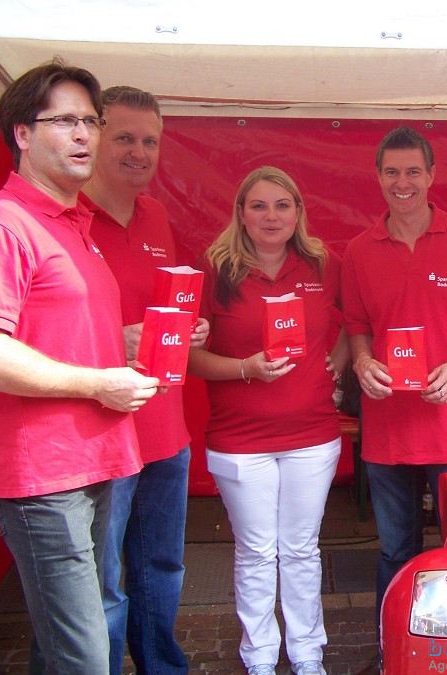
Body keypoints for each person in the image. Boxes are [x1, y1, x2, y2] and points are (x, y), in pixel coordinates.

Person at [0, 59, 159, 673]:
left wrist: (122, 340)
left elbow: (51, 331)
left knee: (65, 647)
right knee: (86, 657)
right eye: (65, 121)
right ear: (22, 134)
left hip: (94, 465)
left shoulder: (74, 224)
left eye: (90, 121)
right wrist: (98, 383)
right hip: (46, 477)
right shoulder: (8, 223)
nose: (84, 135)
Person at [340, 126, 447, 640]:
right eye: (392, 172)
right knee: (395, 550)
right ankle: (397, 649)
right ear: (378, 177)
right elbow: (357, 327)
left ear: (432, 175)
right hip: (390, 431)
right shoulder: (360, 250)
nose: (402, 182)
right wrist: (364, 361)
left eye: (413, 171)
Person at [188, 166, 347, 675]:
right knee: (256, 552)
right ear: (241, 213)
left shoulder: (324, 265)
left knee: (301, 549)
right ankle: (259, 657)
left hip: (312, 435)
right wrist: (246, 368)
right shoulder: (214, 269)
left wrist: (339, 360)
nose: (271, 216)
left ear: (298, 212)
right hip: (239, 439)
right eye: (258, 205)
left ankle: (306, 655)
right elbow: (190, 358)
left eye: (282, 205)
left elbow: (359, 323)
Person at [82, 85, 209, 674]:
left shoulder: (156, 213)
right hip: (98, 436)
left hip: (165, 429)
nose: (139, 152)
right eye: (125, 137)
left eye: (150, 141)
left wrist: (191, 327)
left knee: (161, 568)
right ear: (92, 136)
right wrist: (115, 340)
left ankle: (161, 667)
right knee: (101, 584)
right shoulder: (66, 217)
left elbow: (164, 308)